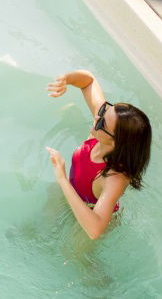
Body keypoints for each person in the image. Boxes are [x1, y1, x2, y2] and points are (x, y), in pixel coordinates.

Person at [44, 70, 151, 240]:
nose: (96, 116)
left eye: (102, 122)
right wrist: (67, 79)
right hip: (75, 193)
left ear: (117, 141)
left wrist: (62, 179)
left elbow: (95, 230)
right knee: (43, 227)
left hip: (93, 213)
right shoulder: (102, 127)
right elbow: (88, 82)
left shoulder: (115, 177)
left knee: (73, 256)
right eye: (103, 112)